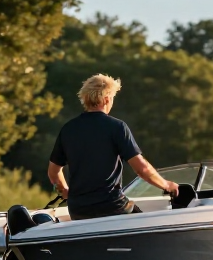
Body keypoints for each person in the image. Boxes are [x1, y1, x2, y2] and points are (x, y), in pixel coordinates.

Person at [48, 74, 179, 221]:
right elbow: (141, 169)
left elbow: (53, 173)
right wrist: (167, 185)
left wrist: (65, 191)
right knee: (149, 227)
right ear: (106, 99)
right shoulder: (117, 127)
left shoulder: (68, 129)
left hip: (78, 211)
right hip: (112, 208)